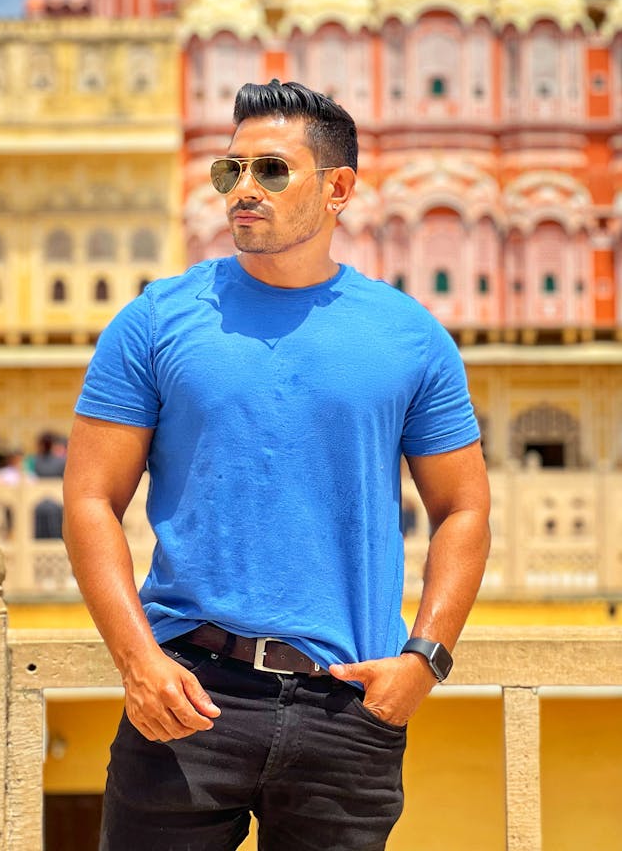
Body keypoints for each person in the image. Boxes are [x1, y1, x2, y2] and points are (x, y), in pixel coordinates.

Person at [63, 79, 491, 851]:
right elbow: (90, 498)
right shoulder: (157, 320)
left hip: (348, 708)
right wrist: (138, 662)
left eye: (270, 170)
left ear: (339, 189)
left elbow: (463, 508)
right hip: (189, 695)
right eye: (230, 172)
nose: (243, 191)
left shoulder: (408, 336)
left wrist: (423, 661)